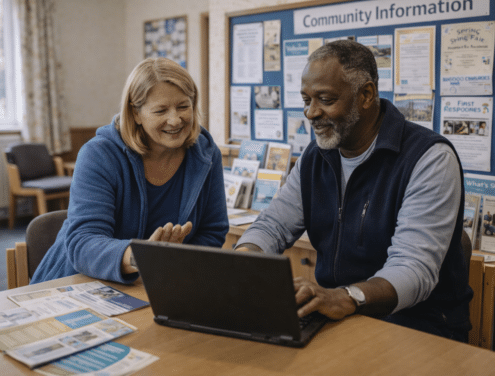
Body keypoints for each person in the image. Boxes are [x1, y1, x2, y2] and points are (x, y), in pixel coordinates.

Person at [235, 40, 472, 342]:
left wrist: (347, 297)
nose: (311, 113)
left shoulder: (429, 158)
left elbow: (413, 270)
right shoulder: (316, 156)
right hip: (339, 318)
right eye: (306, 99)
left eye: (325, 99)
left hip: (417, 327)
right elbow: (273, 225)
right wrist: (245, 258)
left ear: (366, 95)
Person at [31, 57, 229, 284]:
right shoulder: (99, 154)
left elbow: (212, 231)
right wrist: (140, 257)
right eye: (160, 110)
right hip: (77, 283)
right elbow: (83, 243)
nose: (175, 120)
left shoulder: (205, 153)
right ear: (136, 114)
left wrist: (174, 264)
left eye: (183, 106)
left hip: (159, 284)